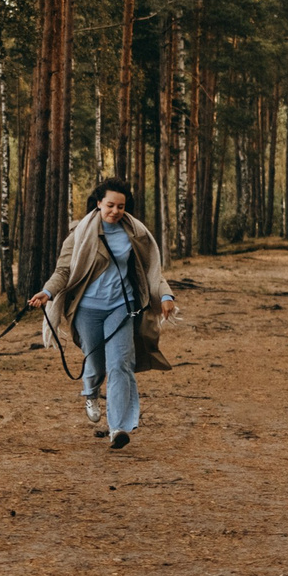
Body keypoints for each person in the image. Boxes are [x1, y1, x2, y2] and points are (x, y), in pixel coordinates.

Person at [27, 178, 176, 451]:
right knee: (95, 363)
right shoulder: (80, 234)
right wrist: (47, 292)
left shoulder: (135, 232)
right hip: (87, 309)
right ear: (98, 203)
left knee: (120, 364)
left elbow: (150, 269)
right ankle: (91, 392)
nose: (115, 211)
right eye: (110, 205)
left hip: (122, 306)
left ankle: (118, 427)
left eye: (121, 206)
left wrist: (166, 295)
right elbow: (64, 270)